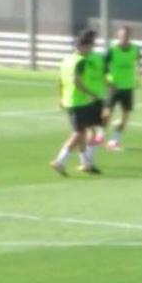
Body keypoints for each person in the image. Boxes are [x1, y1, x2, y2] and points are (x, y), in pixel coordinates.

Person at [50, 29, 104, 176]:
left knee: (83, 131)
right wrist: (91, 94)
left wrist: (60, 98)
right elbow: (76, 81)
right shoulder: (80, 61)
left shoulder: (67, 60)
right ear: (83, 46)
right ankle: (60, 160)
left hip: (69, 100)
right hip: (79, 101)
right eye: (89, 47)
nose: (90, 50)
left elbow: (60, 80)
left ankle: (85, 162)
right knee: (79, 133)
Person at [104, 26, 141, 151]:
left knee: (125, 116)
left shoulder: (135, 49)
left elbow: (138, 63)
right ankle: (99, 135)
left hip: (128, 87)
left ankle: (114, 140)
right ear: (118, 36)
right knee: (107, 114)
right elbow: (103, 67)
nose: (124, 38)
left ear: (130, 36)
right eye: (122, 36)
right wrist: (108, 81)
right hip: (114, 87)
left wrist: (138, 77)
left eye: (126, 36)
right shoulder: (112, 50)